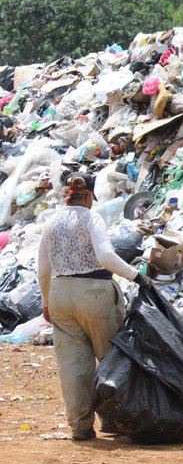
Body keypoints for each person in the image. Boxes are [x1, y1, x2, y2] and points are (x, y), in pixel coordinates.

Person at [37, 173, 152, 441]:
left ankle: (80, 425)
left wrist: (46, 302)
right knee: (112, 358)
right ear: (88, 195)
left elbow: (42, 269)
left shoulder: (50, 222)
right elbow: (105, 256)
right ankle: (114, 420)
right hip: (95, 293)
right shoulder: (92, 218)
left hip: (61, 294)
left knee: (73, 364)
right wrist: (137, 276)